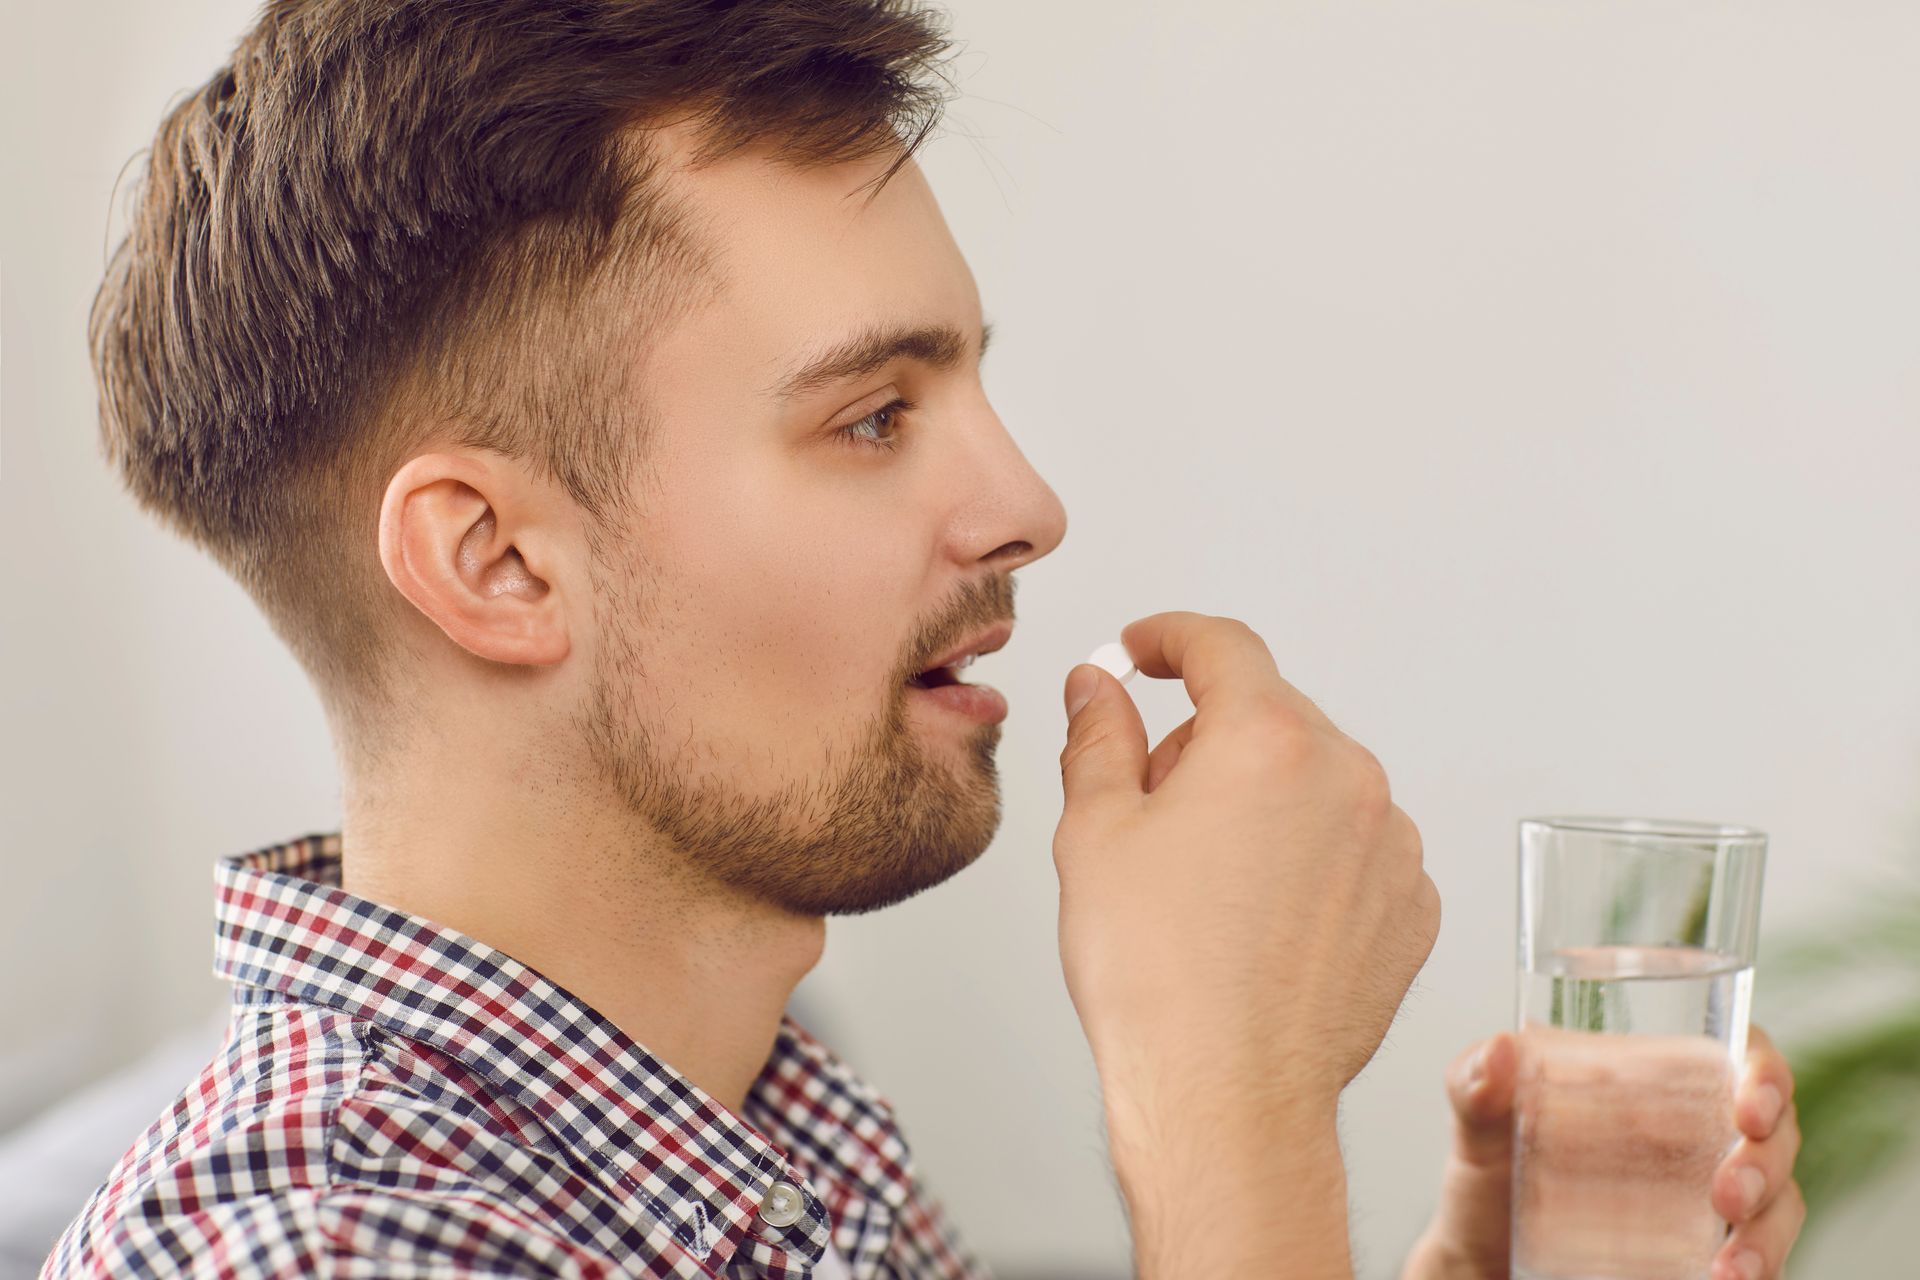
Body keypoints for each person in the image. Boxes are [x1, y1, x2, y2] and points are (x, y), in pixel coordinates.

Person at [46, 1, 1804, 1277]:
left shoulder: (762, 1129)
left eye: (970, 383)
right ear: (497, 561)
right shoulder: (321, 1247)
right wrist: (1221, 1105)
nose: (1028, 502)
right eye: (872, 417)